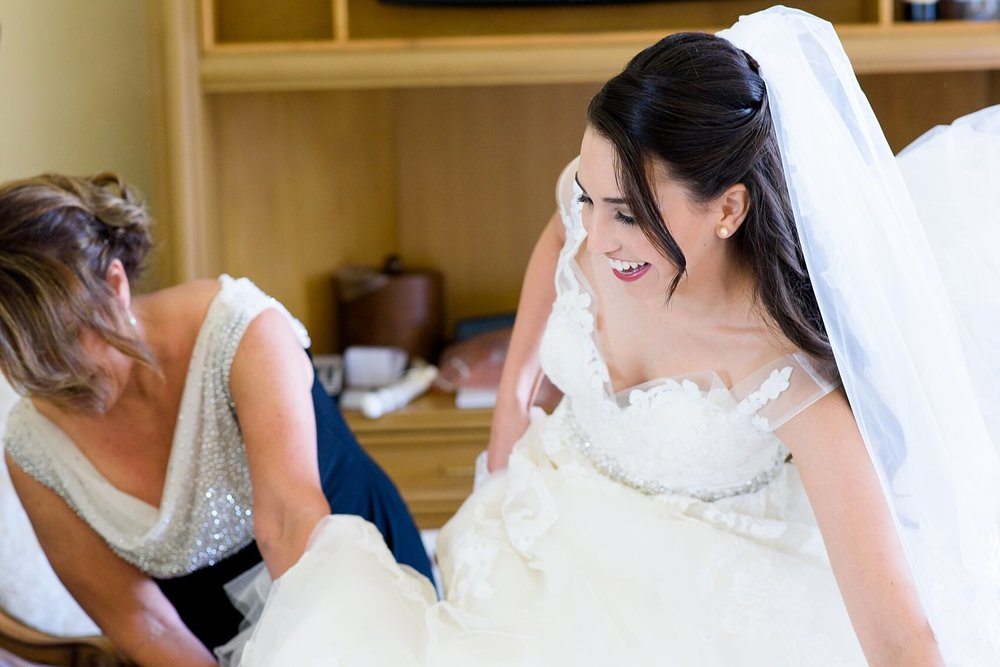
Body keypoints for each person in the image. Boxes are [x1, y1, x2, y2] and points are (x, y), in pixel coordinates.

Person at [241, 8, 999, 666]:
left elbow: (902, 640)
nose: (598, 236)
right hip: (544, 527)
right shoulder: (597, 203)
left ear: (729, 209)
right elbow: (554, 243)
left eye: (629, 214)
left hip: (680, 603)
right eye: (590, 198)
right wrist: (512, 400)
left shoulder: (778, 365)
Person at [0, 172, 433, 665]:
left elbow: (289, 527)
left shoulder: (241, 333)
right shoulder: (33, 449)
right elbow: (142, 620)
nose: (63, 387)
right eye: (32, 374)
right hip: (199, 647)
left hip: (346, 587)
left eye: (70, 351)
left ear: (115, 285)